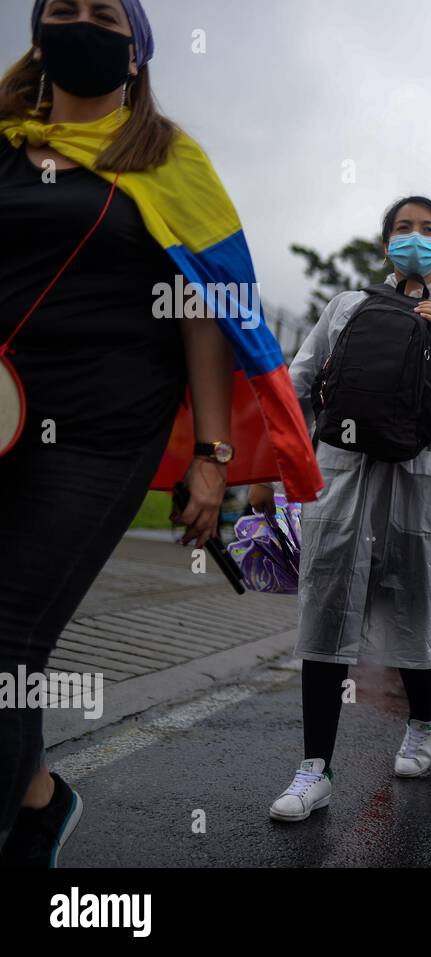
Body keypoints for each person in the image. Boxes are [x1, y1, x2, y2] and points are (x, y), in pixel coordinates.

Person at [0, 0, 319, 866]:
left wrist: (214, 457)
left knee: (8, 634)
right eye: (60, 9)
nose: (80, 22)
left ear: (136, 52)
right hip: (1, 411)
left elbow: (207, 311)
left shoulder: (170, 161)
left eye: (102, 13)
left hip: (106, 424)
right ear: (37, 36)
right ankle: (36, 800)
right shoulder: (2, 141)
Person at [268, 195, 431, 822]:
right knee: (325, 608)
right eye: (404, 229)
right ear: (386, 245)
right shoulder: (348, 307)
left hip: (423, 483)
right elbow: (296, 381)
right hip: (343, 478)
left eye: (428, 230)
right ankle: (315, 768)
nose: (415, 238)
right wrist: (270, 467)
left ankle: (423, 716)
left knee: (416, 604)